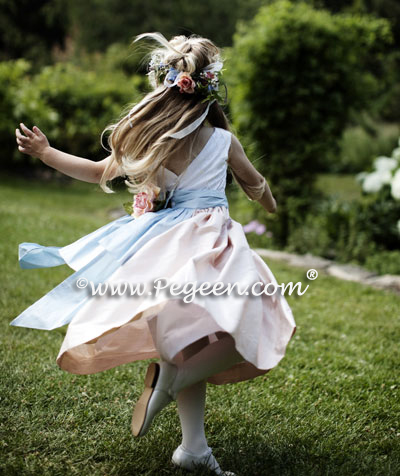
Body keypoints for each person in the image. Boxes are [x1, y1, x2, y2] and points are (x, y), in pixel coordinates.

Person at [12, 32, 296, 475]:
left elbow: (94, 171)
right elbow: (254, 183)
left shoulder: (151, 140)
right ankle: (176, 383)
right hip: (212, 245)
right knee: (260, 315)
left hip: (162, 246)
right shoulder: (223, 141)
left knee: (185, 339)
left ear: (169, 85)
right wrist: (271, 204)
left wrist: (47, 153)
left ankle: (194, 449)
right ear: (209, 87)